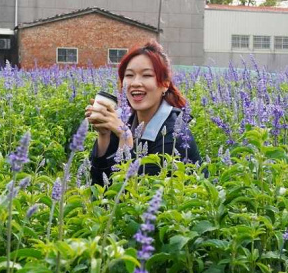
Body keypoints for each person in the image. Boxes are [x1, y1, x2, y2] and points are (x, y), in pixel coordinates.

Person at [85, 40, 202, 187]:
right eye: (129, 75)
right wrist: (104, 135)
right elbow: (98, 188)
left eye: (146, 75)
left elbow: (134, 199)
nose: (135, 83)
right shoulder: (125, 121)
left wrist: (125, 138)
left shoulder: (173, 136)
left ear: (165, 84)